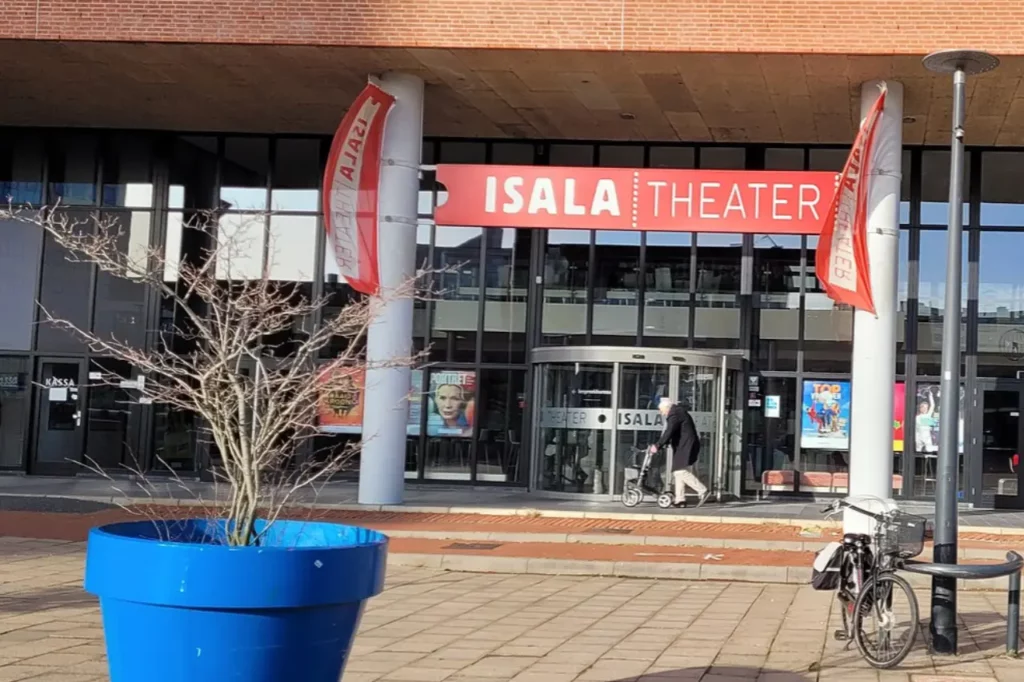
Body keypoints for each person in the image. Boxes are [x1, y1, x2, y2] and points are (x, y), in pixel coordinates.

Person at [650, 397, 709, 508]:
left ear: (667, 408)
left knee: (679, 472)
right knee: (680, 472)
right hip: (685, 445)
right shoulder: (678, 411)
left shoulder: (674, 414)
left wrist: (657, 446)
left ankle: (702, 490)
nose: (662, 414)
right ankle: (680, 499)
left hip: (685, 446)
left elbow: (669, 431)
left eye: (662, 411)